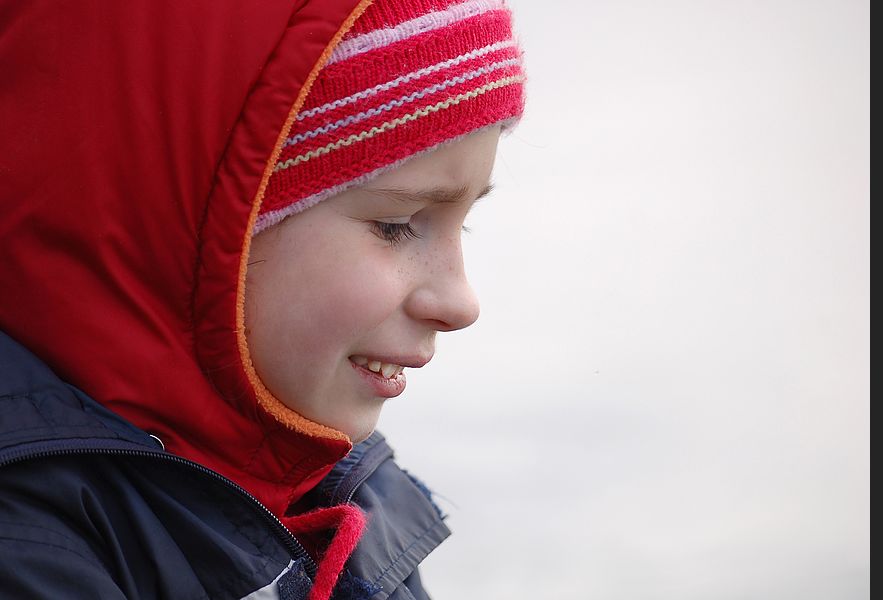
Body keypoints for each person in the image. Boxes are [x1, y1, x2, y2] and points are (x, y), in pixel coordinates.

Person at [0, 0, 525, 598]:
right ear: (186, 226)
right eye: (399, 224)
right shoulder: (29, 546)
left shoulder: (341, 500)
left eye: (465, 223)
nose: (461, 302)